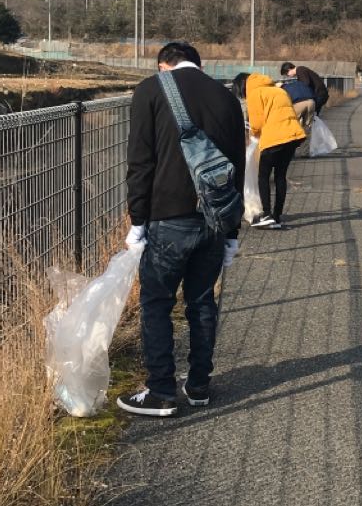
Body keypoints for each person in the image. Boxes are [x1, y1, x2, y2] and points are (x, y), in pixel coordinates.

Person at [119, 41, 245, 417]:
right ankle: (199, 385)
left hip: (167, 217)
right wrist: (233, 232)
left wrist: (137, 221)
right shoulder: (225, 98)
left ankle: (161, 391)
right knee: (202, 301)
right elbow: (236, 166)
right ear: (197, 64)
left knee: (157, 302)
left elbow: (140, 160)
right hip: (214, 220)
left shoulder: (151, 89)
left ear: (163, 65)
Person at [233, 71, 305, 229]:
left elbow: (257, 123)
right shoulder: (278, 90)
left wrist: (252, 135)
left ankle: (266, 214)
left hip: (274, 138)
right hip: (293, 135)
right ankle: (277, 215)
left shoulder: (254, 93)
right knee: (280, 176)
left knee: (263, 176)